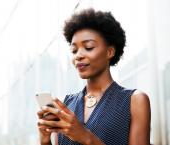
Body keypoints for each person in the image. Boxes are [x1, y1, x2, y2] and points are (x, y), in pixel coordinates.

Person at [37, 8, 151, 145]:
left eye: (89, 47)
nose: (78, 55)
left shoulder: (134, 101)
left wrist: (85, 137)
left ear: (109, 52)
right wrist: (44, 140)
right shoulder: (66, 104)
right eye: (74, 50)